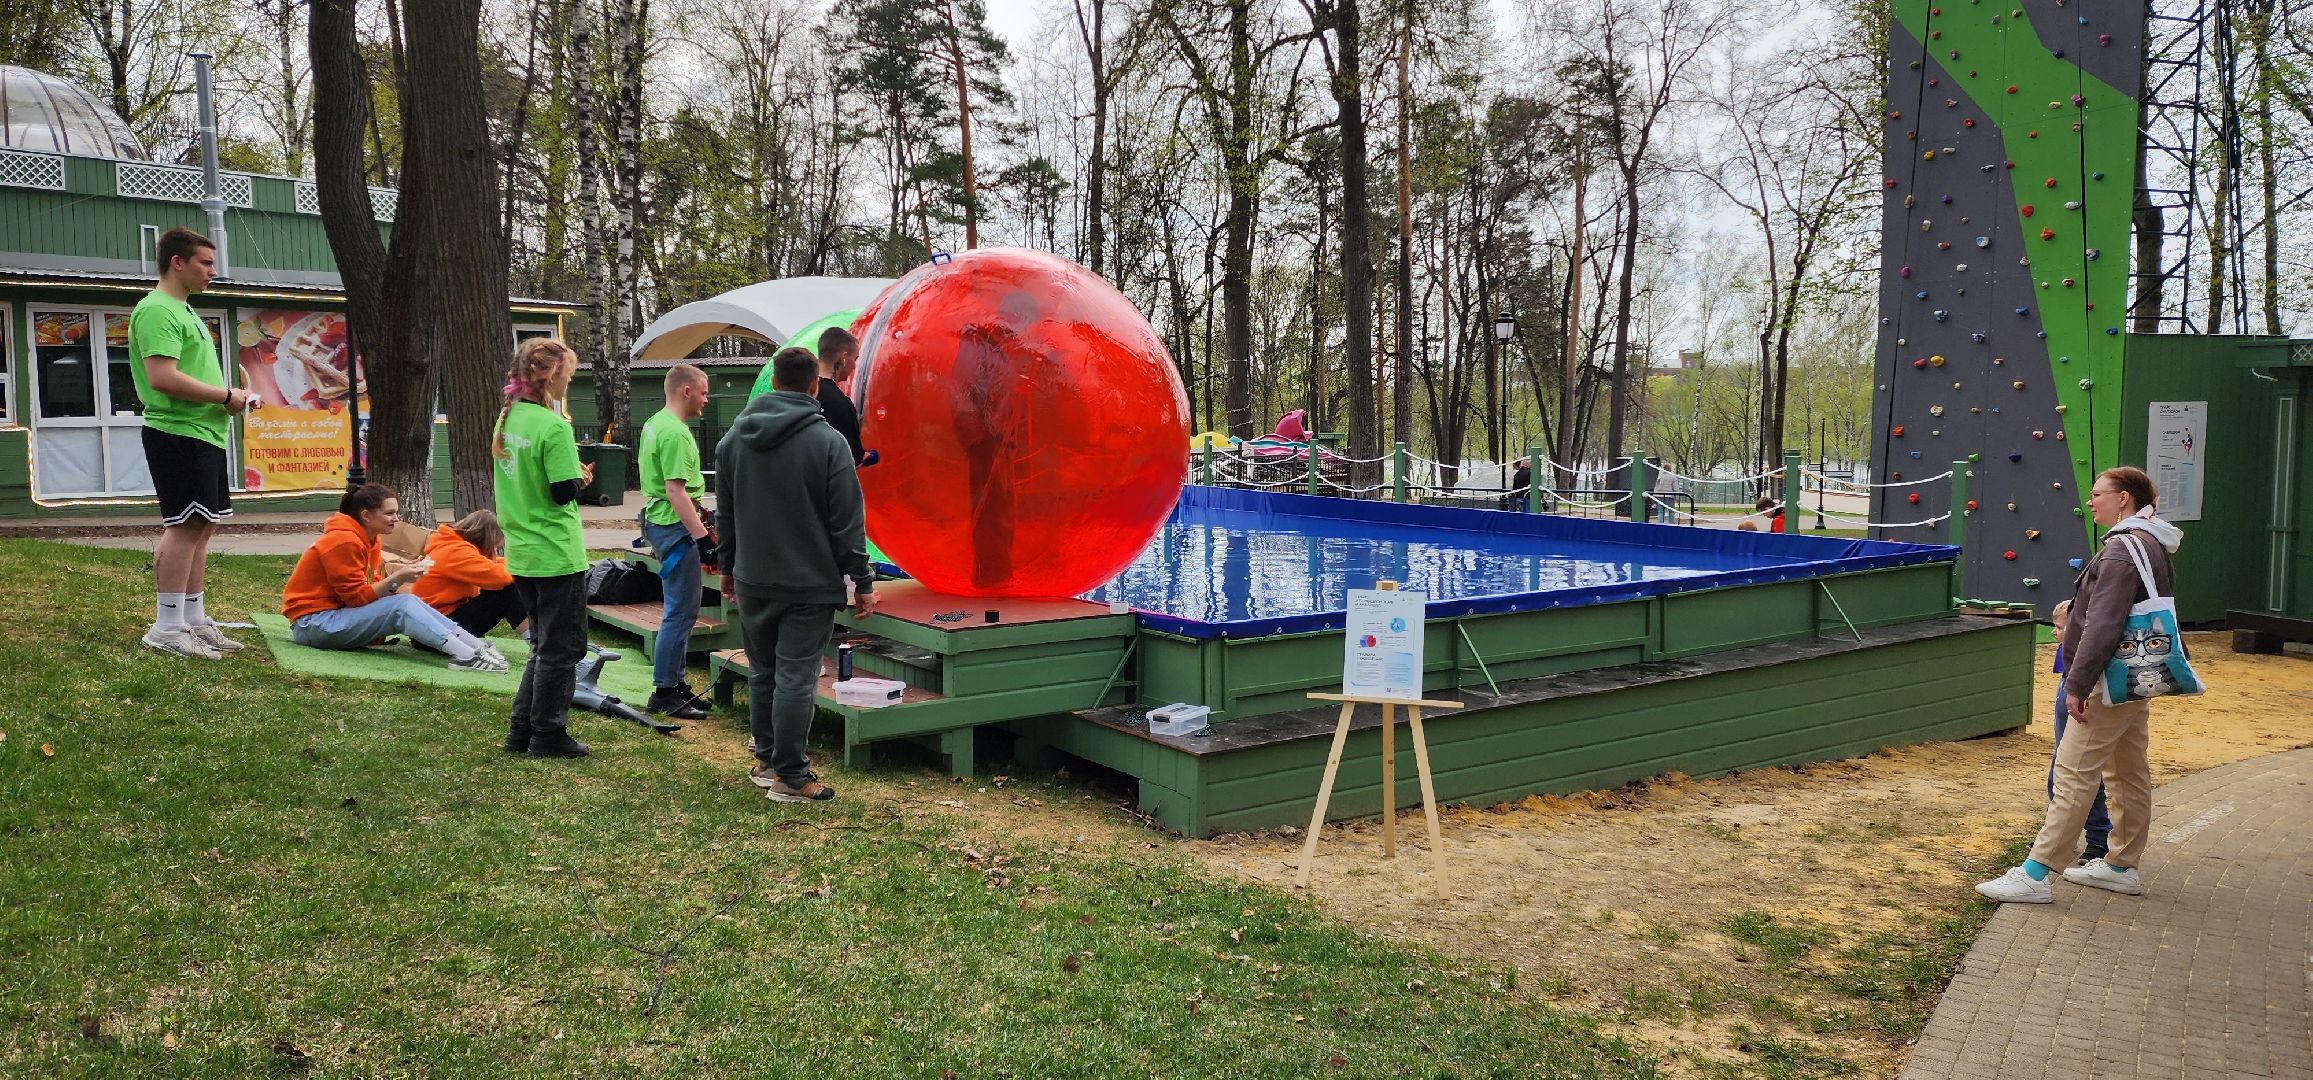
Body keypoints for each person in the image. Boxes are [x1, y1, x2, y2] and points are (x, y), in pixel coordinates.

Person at [1978, 466, 2180, 903]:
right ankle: (2120, 864)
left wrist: (2077, 682)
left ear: (2123, 498)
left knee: (2073, 774)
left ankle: (2036, 873)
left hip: (2106, 681)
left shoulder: (2120, 551)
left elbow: (2103, 623)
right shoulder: (2152, 542)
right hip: (2135, 677)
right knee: (2128, 773)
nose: (2091, 502)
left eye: (2097, 494)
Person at [717, 347, 877, 803]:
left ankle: (768, 761)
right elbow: (847, 522)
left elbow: (724, 515)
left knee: (764, 671)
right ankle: (790, 775)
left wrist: (727, 568)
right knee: (795, 677)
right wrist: (862, 582)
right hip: (808, 583)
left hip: (752, 579)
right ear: (814, 386)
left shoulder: (732, 440)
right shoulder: (829, 443)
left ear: (773, 382)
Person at [129, 226, 259, 659]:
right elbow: (161, 378)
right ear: (177, 262)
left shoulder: (184, 311)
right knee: (183, 526)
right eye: (205, 263)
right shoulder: (157, 310)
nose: (212, 271)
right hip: (176, 432)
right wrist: (225, 395)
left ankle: (193, 620)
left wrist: (229, 400)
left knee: (202, 526)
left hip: (203, 432)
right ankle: (166, 627)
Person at [493, 337, 597, 759]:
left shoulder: (508, 418)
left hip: (521, 549)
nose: (569, 382)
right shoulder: (554, 426)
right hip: (555, 552)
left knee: (542, 645)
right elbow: (559, 493)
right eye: (568, 375)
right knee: (562, 649)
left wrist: (569, 477)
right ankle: (548, 732)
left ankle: (523, 729)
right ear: (549, 375)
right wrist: (579, 481)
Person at [281, 484, 509, 672]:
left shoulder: (369, 539)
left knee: (407, 602)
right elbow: (355, 598)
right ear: (366, 515)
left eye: (396, 513)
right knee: (402, 604)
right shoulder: (344, 541)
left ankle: (476, 648)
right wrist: (397, 578)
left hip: (328, 619)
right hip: (312, 625)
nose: (396, 519)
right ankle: (468, 654)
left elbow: (367, 587)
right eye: (389, 513)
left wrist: (399, 574)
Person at [637, 363, 715, 721]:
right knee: (681, 612)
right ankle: (665, 691)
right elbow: (675, 491)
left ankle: (676, 684)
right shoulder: (676, 434)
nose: (706, 399)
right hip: (676, 528)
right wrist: (702, 537)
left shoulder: (655, 424)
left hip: (660, 523)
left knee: (681, 609)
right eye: (703, 391)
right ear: (686, 391)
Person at [2045, 597, 2113, 865]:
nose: (2055, 632)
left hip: (2079, 715)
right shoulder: (2069, 651)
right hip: (2064, 714)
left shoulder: (2085, 655)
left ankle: (2099, 837)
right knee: (2058, 776)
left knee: (2081, 776)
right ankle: (2058, 835)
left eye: (2060, 628)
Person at [410, 509, 526, 640]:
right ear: (487, 538)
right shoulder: (456, 552)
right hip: (435, 630)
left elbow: (494, 563)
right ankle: (535, 641)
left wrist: (518, 563)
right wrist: (523, 566)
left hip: (432, 625)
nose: (494, 550)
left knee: (510, 582)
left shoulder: (451, 545)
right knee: (508, 589)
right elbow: (499, 577)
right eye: (495, 545)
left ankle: (535, 639)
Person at [814, 326, 867, 465]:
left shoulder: (795, 391)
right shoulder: (841, 405)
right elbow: (851, 461)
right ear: (843, 358)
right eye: (854, 359)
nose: (854, 366)